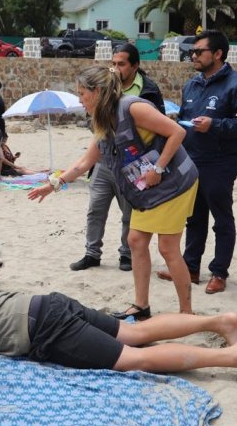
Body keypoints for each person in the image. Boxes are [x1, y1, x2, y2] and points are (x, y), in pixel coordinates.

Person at [0, 243, 237, 378]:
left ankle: (233, 355)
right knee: (134, 331)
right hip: (45, 304)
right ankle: (220, 321)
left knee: (135, 359)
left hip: (41, 330)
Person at [28, 65, 196, 318]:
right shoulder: (103, 119)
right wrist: (53, 185)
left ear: (97, 91)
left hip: (175, 183)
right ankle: (141, 307)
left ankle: (186, 313)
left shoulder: (132, 107)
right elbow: (85, 163)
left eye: (82, 93)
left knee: (167, 248)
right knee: (136, 240)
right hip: (147, 188)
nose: (79, 99)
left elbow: (178, 131)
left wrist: (159, 169)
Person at [155, 30, 237, 295]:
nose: (193, 56)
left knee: (222, 219)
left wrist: (214, 125)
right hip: (190, 160)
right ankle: (190, 267)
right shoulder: (191, 84)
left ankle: (219, 272)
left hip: (220, 163)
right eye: (192, 52)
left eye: (199, 51)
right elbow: (184, 123)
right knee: (194, 217)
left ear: (218, 53)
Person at [69, 44, 166, 273]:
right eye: (113, 63)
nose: (115, 68)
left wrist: (157, 167)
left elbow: (164, 132)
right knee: (96, 209)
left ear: (135, 66)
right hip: (104, 159)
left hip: (132, 163)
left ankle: (126, 254)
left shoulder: (146, 92)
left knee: (128, 212)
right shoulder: (102, 89)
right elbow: (94, 126)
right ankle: (92, 253)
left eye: (121, 64)